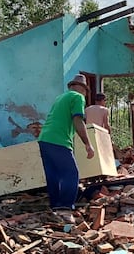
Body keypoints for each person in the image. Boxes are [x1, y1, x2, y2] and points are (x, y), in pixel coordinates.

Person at [38, 74, 95, 223]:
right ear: (83, 89)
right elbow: (78, 121)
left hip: (44, 139)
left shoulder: (60, 98)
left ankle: (55, 207)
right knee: (72, 173)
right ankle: (65, 209)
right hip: (59, 139)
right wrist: (87, 144)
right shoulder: (78, 97)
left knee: (54, 175)